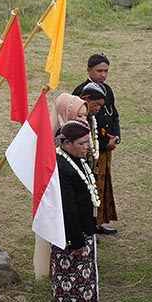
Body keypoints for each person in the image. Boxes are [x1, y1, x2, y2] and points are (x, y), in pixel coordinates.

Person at [51, 120, 104, 302]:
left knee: (86, 280)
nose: (86, 147)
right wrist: (76, 241)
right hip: (70, 237)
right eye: (81, 143)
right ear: (67, 143)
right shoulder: (61, 166)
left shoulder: (76, 159)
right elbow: (67, 207)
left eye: (87, 142)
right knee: (72, 281)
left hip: (84, 230)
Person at [32, 93, 90, 279]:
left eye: (84, 115)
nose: (84, 120)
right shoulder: (60, 156)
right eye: (79, 115)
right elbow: (67, 204)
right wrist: (76, 239)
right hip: (66, 227)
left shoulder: (79, 144)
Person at [75, 80, 118, 235]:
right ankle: (84, 229)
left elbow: (114, 116)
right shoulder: (77, 117)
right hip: (80, 165)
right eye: (96, 105)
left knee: (95, 195)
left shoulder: (92, 117)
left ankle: (96, 224)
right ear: (86, 100)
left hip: (94, 162)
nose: (98, 109)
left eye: (101, 105)